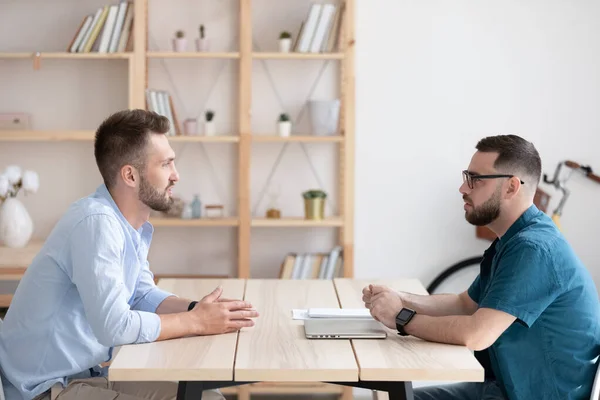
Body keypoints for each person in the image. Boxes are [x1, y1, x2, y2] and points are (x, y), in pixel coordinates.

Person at [0, 109, 259, 400]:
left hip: (84, 376)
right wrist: (196, 322)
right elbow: (115, 326)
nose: (176, 175)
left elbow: (139, 294)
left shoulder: (126, 224)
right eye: (166, 164)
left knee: (207, 397)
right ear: (130, 175)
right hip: (42, 389)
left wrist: (201, 309)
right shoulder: (96, 223)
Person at [362, 134, 600, 400]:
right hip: (503, 389)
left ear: (511, 187)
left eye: (475, 179)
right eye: (466, 178)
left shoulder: (533, 248)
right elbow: (466, 304)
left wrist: (401, 318)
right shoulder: (512, 241)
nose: (463, 189)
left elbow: (477, 335)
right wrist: (397, 299)